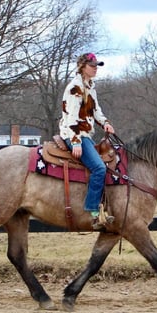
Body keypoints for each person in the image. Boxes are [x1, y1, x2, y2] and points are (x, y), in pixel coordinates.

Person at [59, 52, 116, 230]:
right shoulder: (75, 88)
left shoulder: (90, 86)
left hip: (85, 134)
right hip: (74, 134)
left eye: (97, 65)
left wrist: (105, 123)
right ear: (83, 66)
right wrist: (75, 141)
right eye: (92, 66)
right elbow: (72, 117)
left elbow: (96, 110)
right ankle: (92, 211)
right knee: (99, 168)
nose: (95, 68)